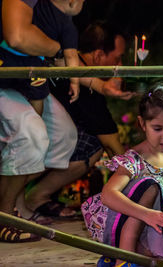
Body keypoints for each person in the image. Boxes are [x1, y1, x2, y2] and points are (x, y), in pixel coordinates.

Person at [16, 21, 135, 220]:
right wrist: (142, 183)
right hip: (31, 139)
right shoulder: (84, 84)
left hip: (33, 136)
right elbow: (111, 144)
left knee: (75, 138)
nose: (119, 66)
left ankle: (28, 196)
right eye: (118, 58)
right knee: (92, 145)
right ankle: (26, 195)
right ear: (98, 55)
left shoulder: (72, 66)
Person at [81, 81, 163, 267]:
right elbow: (108, 195)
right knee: (150, 186)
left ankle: (153, 253)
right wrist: (146, 214)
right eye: (158, 128)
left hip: (158, 224)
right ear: (143, 124)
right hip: (121, 221)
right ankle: (123, 259)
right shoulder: (134, 159)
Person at [0, 0, 77, 242]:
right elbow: (18, 36)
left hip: (27, 74)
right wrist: (55, 48)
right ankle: (5, 215)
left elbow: (69, 63)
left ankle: (17, 202)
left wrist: (98, 84)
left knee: (63, 135)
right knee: (32, 133)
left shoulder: (56, 14)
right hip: (6, 75)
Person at [0, 0, 84, 116]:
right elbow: (71, 56)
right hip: (34, 62)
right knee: (37, 95)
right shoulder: (68, 26)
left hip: (7, 53)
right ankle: (36, 118)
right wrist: (75, 82)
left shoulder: (39, 5)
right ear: (72, 2)